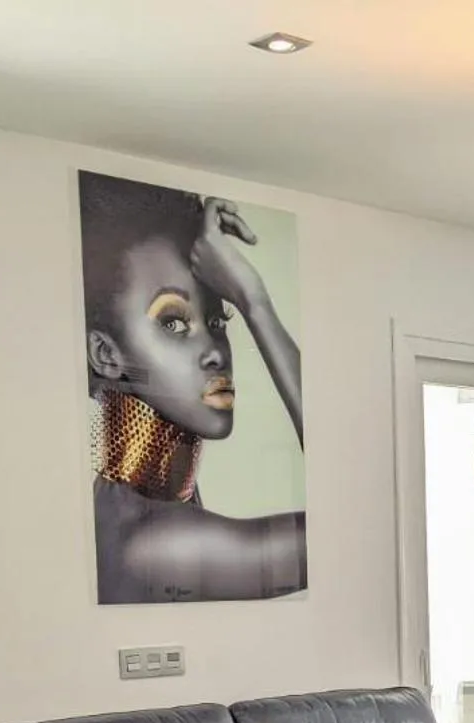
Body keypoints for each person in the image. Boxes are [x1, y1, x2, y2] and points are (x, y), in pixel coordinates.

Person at [80, 172, 305, 602]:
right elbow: (356, 517)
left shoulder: (129, 502)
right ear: (107, 355)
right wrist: (253, 301)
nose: (216, 353)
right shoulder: (152, 545)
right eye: (174, 322)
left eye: (219, 321)